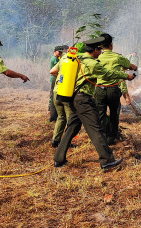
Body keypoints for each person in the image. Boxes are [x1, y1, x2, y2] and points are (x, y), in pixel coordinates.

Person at [53, 37, 135, 170]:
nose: (101, 52)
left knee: (72, 127)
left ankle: (59, 158)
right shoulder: (91, 63)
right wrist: (126, 76)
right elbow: (107, 74)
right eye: (100, 50)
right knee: (96, 128)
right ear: (95, 50)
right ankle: (107, 160)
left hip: (73, 98)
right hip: (83, 100)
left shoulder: (78, 58)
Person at [95, 33, 138, 145]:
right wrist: (135, 69)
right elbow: (131, 67)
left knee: (100, 114)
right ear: (111, 45)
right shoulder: (118, 57)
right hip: (113, 90)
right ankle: (112, 138)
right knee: (114, 114)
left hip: (99, 90)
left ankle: (101, 138)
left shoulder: (97, 57)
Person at [49, 43, 85, 148]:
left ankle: (55, 140)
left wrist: (62, 79)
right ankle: (66, 143)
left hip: (57, 91)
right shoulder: (79, 59)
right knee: (71, 119)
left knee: (61, 117)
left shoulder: (64, 57)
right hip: (66, 94)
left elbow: (52, 71)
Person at [48, 46, 63, 122]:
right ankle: (52, 115)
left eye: (61, 52)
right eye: (59, 52)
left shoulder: (58, 58)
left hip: (56, 77)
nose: (60, 53)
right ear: (55, 51)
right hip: (54, 77)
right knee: (53, 95)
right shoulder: (54, 59)